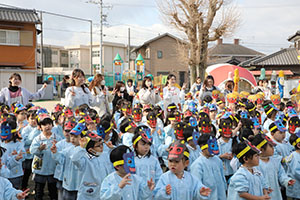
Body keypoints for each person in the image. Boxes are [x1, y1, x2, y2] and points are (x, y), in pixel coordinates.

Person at [251, 134, 295, 200]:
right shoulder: (255, 164)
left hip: (276, 194)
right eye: (271, 146)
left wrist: (286, 180)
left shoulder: (275, 161)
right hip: (262, 195)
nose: (273, 149)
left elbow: (281, 174)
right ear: (261, 149)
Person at [30, 113, 61, 200]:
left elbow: (62, 151)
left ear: (52, 125)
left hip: (53, 169)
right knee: (39, 191)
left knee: (53, 192)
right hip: (40, 169)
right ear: (40, 126)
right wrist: (39, 148)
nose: (47, 126)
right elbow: (32, 150)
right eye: (44, 124)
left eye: (49, 124)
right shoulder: (37, 139)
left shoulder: (57, 138)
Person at [190, 134, 227, 200]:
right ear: (202, 147)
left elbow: (222, 179)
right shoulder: (197, 165)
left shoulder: (217, 160)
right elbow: (196, 187)